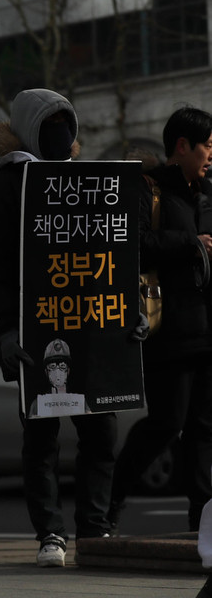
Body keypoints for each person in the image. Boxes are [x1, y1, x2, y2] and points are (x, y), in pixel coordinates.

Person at [0, 88, 116, 568]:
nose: (64, 134)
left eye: (67, 122)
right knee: (42, 436)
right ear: (30, 127)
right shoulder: (1, 186)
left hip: (90, 329)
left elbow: (115, 255)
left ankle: (94, 529)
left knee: (100, 432)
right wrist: (9, 329)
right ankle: (51, 533)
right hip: (34, 334)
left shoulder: (90, 183)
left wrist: (125, 308)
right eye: (52, 123)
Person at [110, 107, 212, 534]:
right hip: (166, 333)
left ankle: (202, 524)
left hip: (207, 331)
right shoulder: (147, 189)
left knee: (205, 431)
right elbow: (131, 244)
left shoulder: (208, 194)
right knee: (165, 424)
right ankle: (107, 501)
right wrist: (190, 243)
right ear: (182, 146)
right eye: (207, 146)